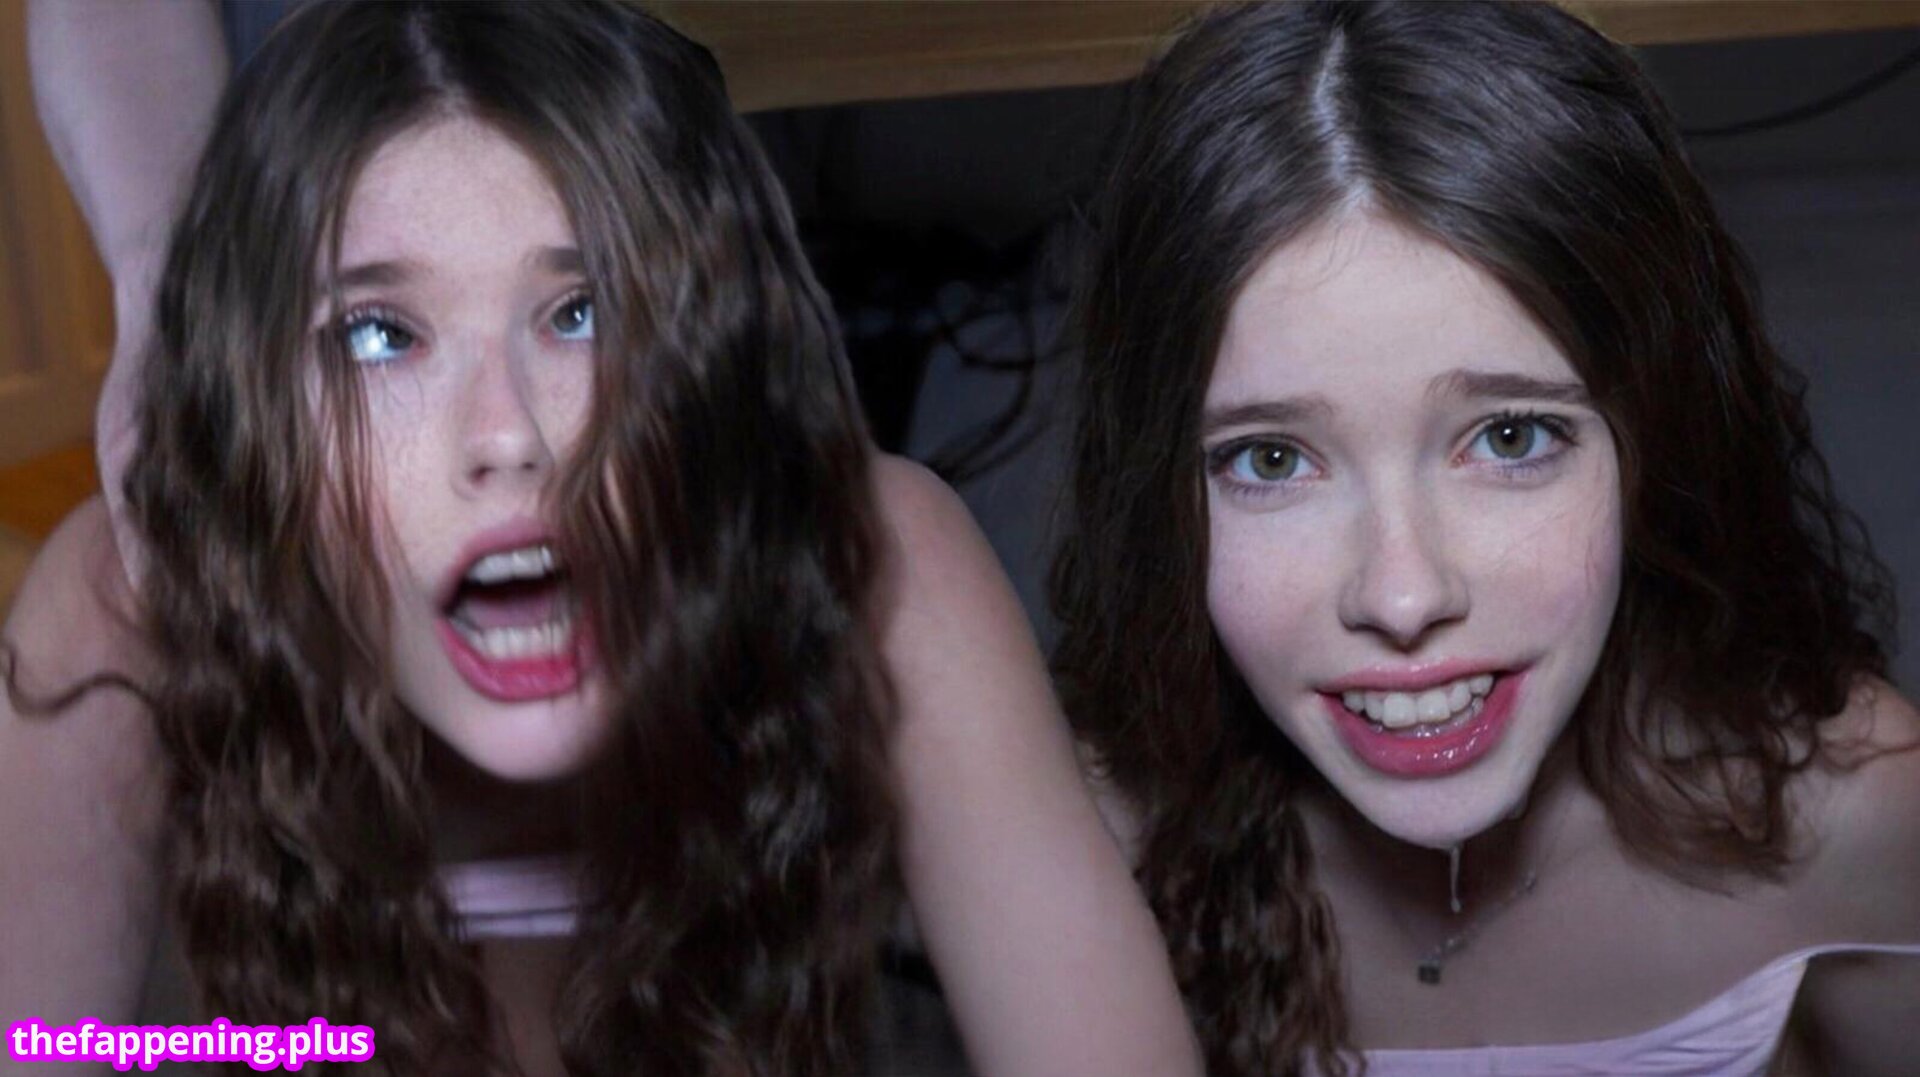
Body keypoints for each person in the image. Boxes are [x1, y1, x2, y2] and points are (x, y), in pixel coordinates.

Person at [1, 3, 1200, 1075]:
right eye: (378, 337)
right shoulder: (124, 608)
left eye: (584, 312)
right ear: (253, 396)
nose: (506, 435)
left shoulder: (879, 559)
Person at [1050, 2, 1920, 1074]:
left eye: (1511, 437)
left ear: (1658, 443)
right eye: (1270, 459)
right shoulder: (1080, 838)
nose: (1403, 596)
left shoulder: (1854, 809)